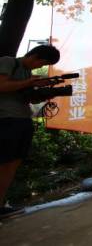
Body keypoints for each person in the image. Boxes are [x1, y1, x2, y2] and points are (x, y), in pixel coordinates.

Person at [0, 45, 60, 219]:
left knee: (12, 163)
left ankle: (0, 204)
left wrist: (43, 92)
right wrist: (30, 82)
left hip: (22, 119)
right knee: (4, 162)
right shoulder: (8, 62)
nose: (40, 66)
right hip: (6, 119)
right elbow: (2, 85)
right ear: (36, 57)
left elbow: (27, 98)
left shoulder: (27, 73)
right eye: (42, 63)